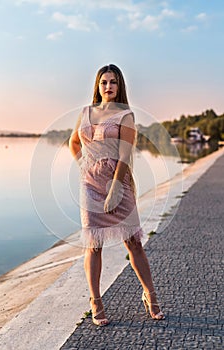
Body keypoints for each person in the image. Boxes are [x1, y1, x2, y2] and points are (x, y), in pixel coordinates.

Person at [69, 64, 164, 326]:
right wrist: (84, 166)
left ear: (119, 86)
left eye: (113, 82)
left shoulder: (126, 115)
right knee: (93, 244)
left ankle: (150, 295)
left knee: (133, 242)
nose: (108, 87)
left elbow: (124, 155)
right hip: (90, 184)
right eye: (103, 82)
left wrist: (114, 189)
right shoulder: (86, 112)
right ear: (97, 86)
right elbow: (73, 142)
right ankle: (96, 302)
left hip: (118, 182)